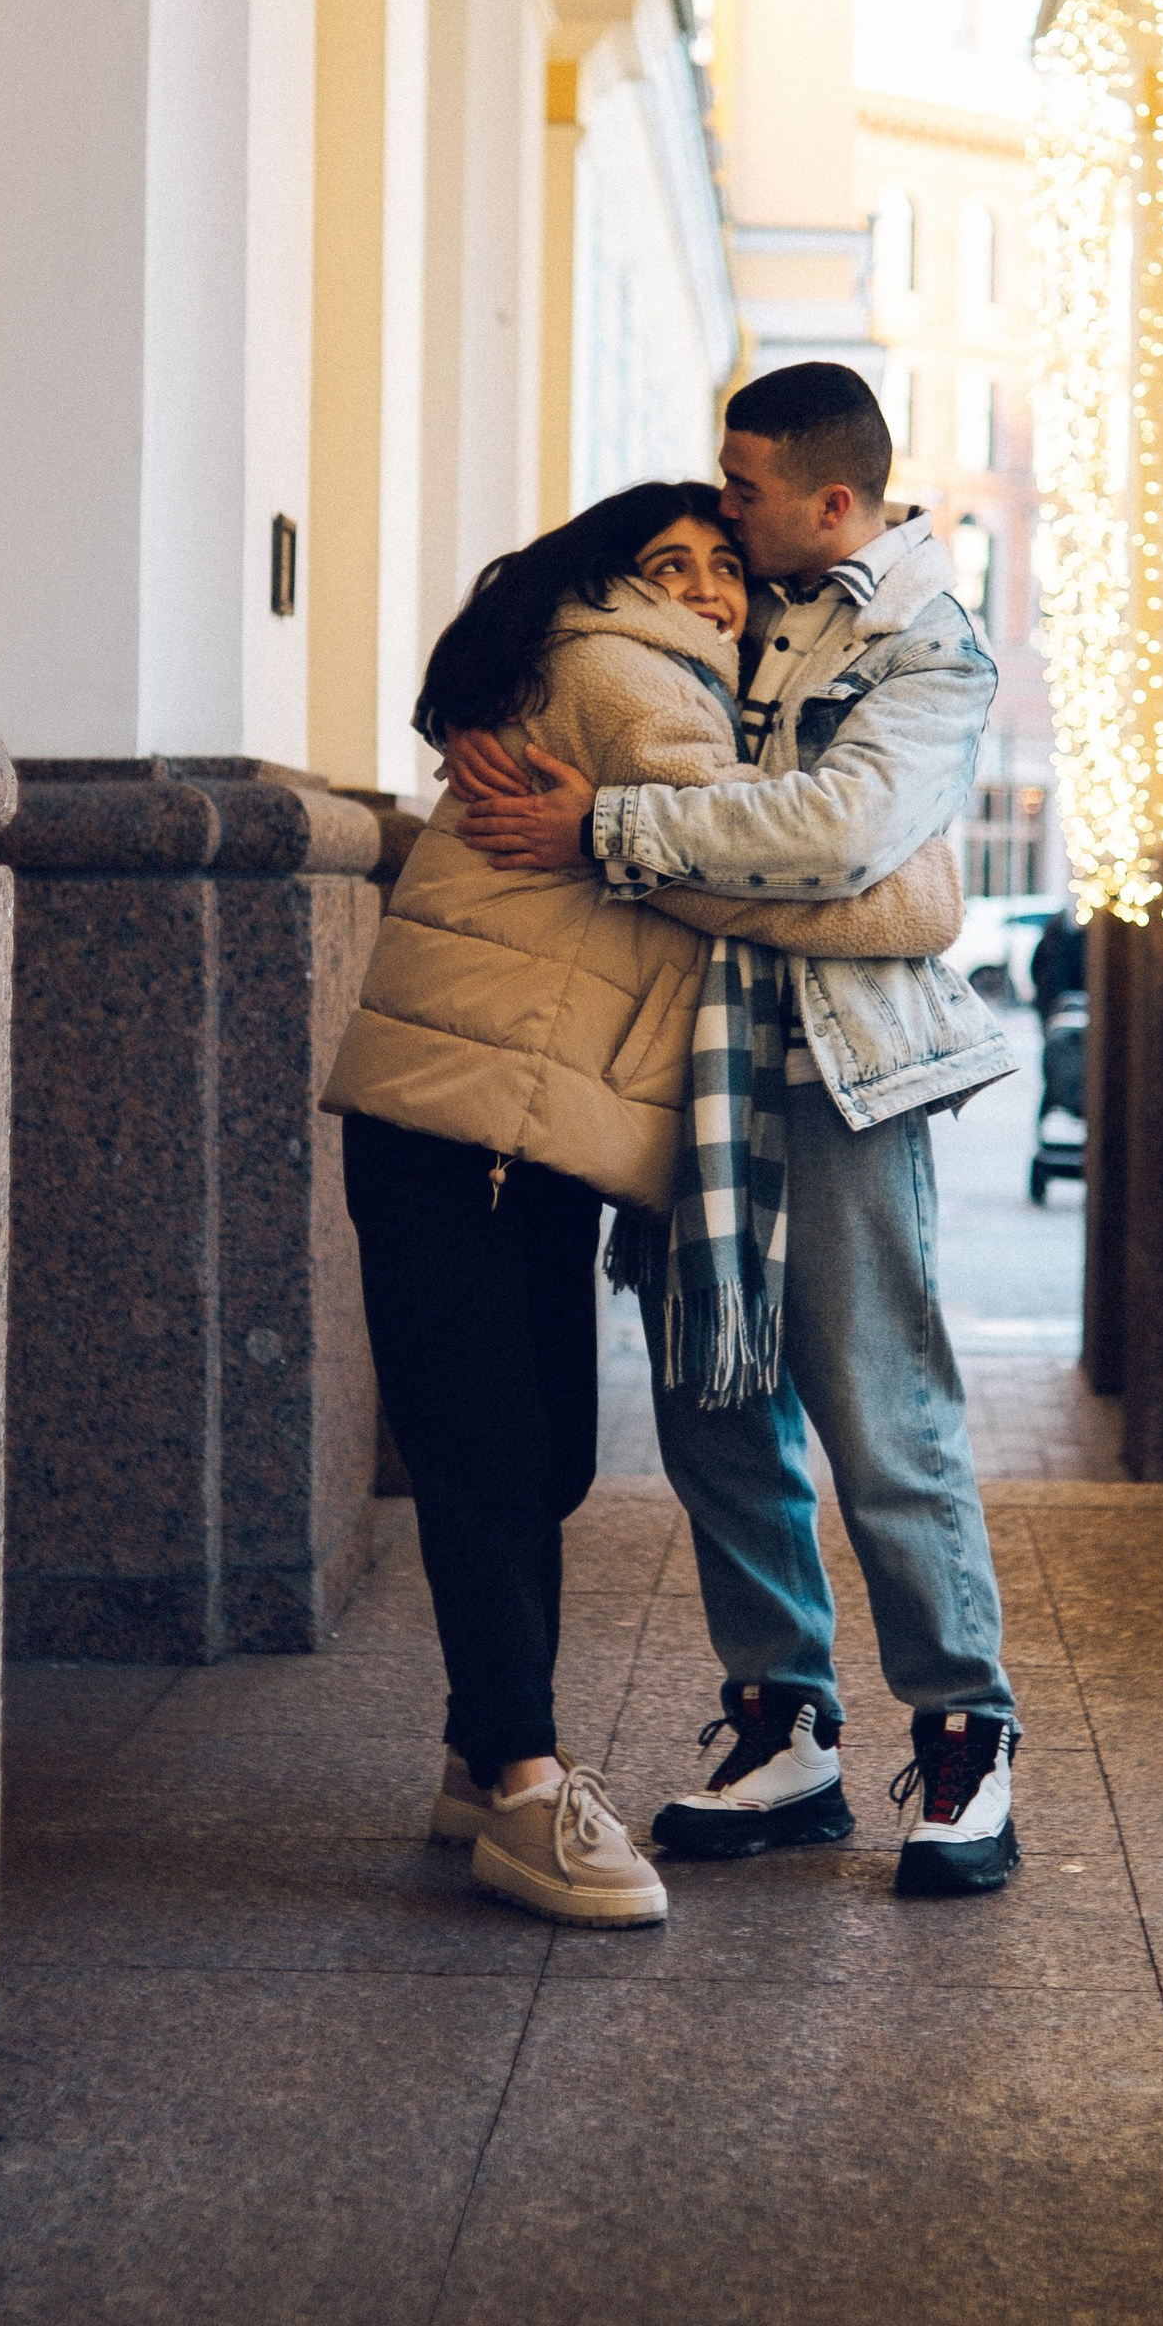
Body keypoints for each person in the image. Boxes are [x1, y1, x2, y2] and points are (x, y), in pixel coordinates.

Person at [321, 479, 963, 1930]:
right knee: (499, 1458)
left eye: (727, 567)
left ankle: (481, 1761)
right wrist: (920, 893)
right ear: (614, 582)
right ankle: (529, 1791)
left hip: (513, 1126)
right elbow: (825, 880)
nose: (712, 591)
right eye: (673, 565)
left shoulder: (617, 672)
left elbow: (702, 857)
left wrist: (609, 830)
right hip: (474, 1124)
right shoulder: (631, 681)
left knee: (528, 1455)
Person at [449, 363, 1027, 1899]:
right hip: (682, 1056)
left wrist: (610, 833)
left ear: (833, 501)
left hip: (836, 1065)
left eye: (748, 486)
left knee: (877, 1405)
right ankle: (786, 1725)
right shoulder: (742, 593)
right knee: (717, 1403)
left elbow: (838, 840)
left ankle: (967, 1733)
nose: (723, 506)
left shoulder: (931, 651)